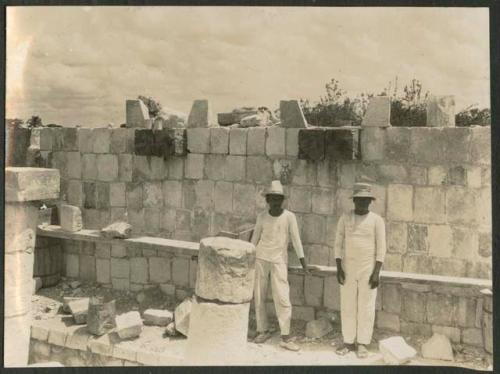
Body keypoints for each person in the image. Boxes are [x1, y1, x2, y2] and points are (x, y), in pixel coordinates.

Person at [251, 180, 310, 351]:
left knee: (282, 297)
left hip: (279, 261)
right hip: (261, 258)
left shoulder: (289, 217)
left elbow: (296, 240)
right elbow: (254, 240)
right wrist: (248, 259)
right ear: (267, 200)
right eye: (272, 198)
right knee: (259, 296)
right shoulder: (261, 217)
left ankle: (285, 336)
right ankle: (263, 329)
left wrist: (304, 263)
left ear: (282, 200)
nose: (275, 201)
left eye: (278, 198)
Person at [333, 183, 386, 358]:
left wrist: (376, 271)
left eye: (365, 200)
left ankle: (362, 343)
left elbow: (381, 248)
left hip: (368, 269)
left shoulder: (376, 220)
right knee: (347, 305)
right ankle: (348, 342)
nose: (362, 203)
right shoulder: (345, 218)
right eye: (359, 200)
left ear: (370, 202)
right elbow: (338, 244)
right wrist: (339, 267)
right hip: (348, 268)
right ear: (354, 201)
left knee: (366, 305)